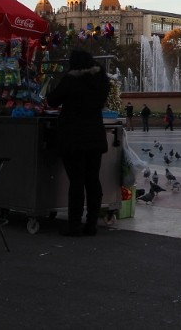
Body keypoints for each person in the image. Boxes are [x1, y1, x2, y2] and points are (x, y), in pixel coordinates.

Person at [48, 49, 110, 237]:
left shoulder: (71, 80)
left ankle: (74, 224)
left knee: (76, 182)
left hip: (74, 136)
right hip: (94, 135)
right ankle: (91, 224)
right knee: (93, 180)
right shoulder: (101, 80)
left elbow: (52, 101)